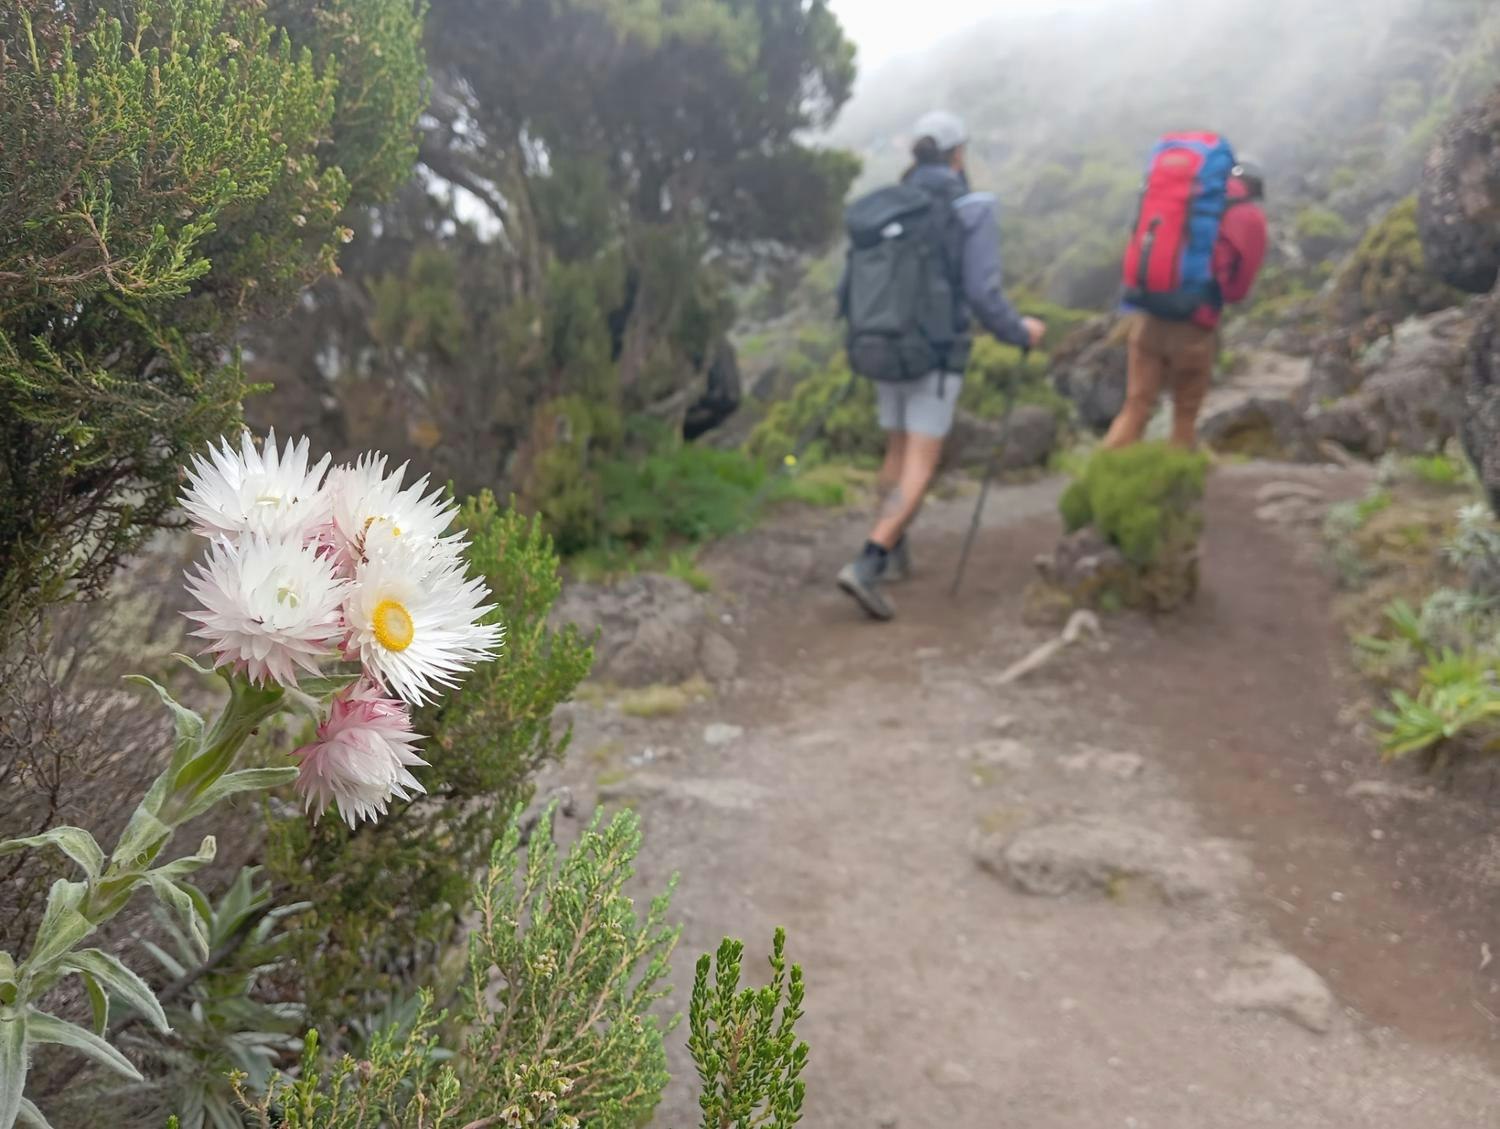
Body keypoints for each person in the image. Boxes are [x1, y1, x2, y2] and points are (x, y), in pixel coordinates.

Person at [835, 110, 1046, 621]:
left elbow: (846, 289)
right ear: (958, 155)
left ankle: (894, 545)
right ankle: (870, 559)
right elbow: (981, 291)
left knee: (897, 446)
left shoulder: (893, 208)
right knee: (921, 460)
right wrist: (1021, 332)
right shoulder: (969, 208)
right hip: (935, 350)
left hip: (882, 344)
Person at [1103, 156, 1268, 450]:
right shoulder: (1249, 216)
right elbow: (1239, 287)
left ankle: (1102, 479)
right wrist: (1219, 293)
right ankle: (1174, 485)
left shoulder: (1185, 197)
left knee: (1136, 405)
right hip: (1195, 321)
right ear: (1254, 187)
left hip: (1149, 314)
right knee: (1184, 413)